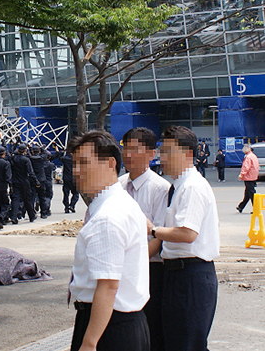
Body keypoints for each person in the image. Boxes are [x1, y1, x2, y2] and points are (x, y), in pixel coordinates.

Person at [68, 130, 150, 351]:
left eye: (84, 163)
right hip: (123, 323)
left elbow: (108, 286)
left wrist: (89, 342)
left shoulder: (108, 216)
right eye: (75, 164)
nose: (77, 171)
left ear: (110, 164)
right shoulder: (119, 202)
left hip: (109, 328)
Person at [147, 125, 219, 351]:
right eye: (162, 151)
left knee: (187, 343)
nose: (163, 158)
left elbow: (187, 233)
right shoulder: (179, 187)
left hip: (191, 275)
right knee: (174, 340)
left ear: (188, 154)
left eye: (169, 152)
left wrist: (153, 230)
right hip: (176, 274)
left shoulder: (192, 187)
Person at [120, 127, 170, 351]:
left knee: (150, 328)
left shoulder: (161, 188)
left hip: (150, 270)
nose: (128, 155)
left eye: (135, 150)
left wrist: (135, 261)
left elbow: (159, 236)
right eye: (125, 149)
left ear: (152, 154)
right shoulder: (117, 186)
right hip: (120, 268)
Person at [10, 144, 39, 224]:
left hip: (15, 180)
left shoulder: (13, 159)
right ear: (25, 151)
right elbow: (31, 172)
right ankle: (31, 215)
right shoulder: (26, 160)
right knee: (27, 199)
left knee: (16, 199)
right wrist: (36, 181)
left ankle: (14, 216)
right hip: (24, 181)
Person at [52, 144, 79, 213]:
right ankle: (72, 205)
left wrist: (60, 151)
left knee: (66, 193)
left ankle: (66, 207)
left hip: (66, 178)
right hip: (75, 179)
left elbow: (60, 157)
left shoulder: (66, 159)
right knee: (76, 193)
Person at [237, 144, 260, 213]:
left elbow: (246, 167)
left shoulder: (248, 157)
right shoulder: (253, 156)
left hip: (249, 177)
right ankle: (241, 206)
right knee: (248, 193)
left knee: (251, 193)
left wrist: (241, 174)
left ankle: (256, 208)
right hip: (253, 176)